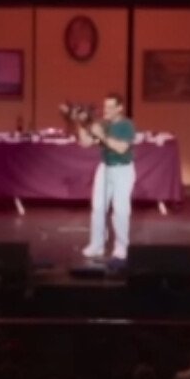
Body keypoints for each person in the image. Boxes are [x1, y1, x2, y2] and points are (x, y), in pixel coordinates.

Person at [75, 92, 138, 266]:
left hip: (123, 169)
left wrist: (102, 135)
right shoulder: (103, 123)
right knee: (98, 207)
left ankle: (121, 246)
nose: (106, 110)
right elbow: (85, 143)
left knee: (120, 209)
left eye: (111, 107)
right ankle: (97, 244)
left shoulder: (126, 125)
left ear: (120, 108)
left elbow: (121, 148)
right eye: (105, 106)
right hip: (105, 168)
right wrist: (80, 123)